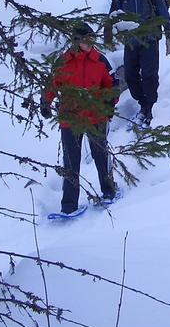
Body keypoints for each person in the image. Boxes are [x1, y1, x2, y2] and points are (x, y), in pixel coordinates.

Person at [40, 22, 117, 215]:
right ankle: (69, 206)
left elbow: (112, 85)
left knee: (101, 155)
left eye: (92, 39)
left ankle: (108, 192)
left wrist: (108, 104)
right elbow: (52, 84)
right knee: (71, 162)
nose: (90, 43)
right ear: (76, 41)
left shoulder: (100, 60)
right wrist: (45, 102)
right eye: (85, 40)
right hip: (70, 118)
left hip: (95, 116)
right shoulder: (63, 61)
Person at [104, 0, 170, 125]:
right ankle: (142, 103)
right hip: (131, 41)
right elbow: (112, 15)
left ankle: (151, 107)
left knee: (149, 75)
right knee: (130, 75)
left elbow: (163, 12)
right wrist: (108, 36)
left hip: (149, 39)